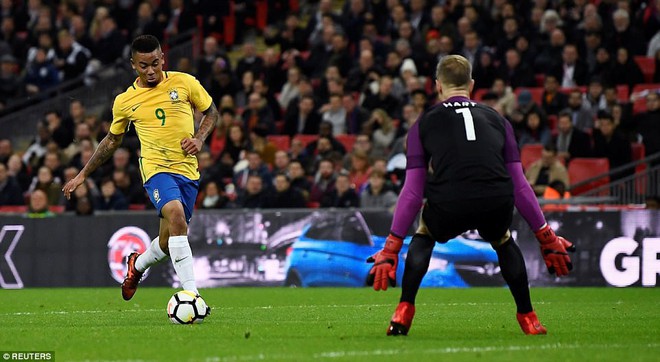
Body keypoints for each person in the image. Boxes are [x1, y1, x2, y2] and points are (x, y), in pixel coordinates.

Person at [367, 55, 574, 337]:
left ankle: (405, 308)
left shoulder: (422, 123)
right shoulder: (498, 120)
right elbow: (520, 184)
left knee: (425, 233)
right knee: (502, 240)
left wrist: (392, 246)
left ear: (438, 86)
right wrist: (545, 235)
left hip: (450, 199)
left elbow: (413, 191)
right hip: (496, 198)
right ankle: (528, 316)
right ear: (472, 84)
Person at [62, 35, 219, 304]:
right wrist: (82, 174)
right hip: (156, 169)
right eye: (144, 65)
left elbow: (212, 112)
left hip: (188, 171)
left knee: (168, 242)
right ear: (134, 65)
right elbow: (112, 140)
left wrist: (199, 139)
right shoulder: (125, 101)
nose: (150, 70)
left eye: (155, 63)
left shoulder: (185, 82)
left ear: (162, 60)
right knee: (177, 217)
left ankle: (137, 265)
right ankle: (192, 294)